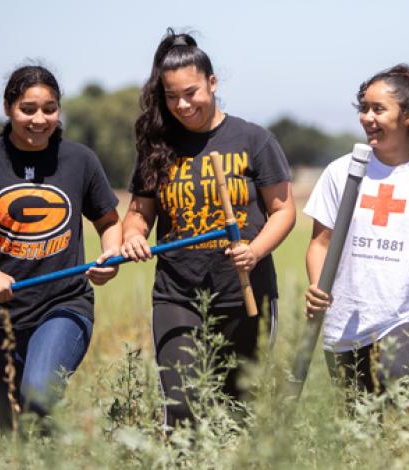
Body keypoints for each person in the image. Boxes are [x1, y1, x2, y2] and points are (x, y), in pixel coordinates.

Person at [121, 29, 295, 428]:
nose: (181, 104)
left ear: (212, 83)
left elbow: (284, 210)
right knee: (182, 408)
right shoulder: (157, 146)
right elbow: (138, 214)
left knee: (237, 409)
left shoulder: (254, 139)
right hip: (177, 294)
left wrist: (254, 250)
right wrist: (133, 235)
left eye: (191, 92)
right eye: (170, 96)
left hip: (244, 293)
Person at [0, 65, 122, 433]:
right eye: (28, 109)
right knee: (15, 431)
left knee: (38, 396)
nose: (40, 119)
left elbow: (110, 222)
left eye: (50, 109)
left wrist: (110, 257)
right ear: (7, 108)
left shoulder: (80, 160)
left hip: (64, 306)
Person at [303, 64, 409, 397]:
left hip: (405, 320)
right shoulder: (341, 172)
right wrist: (318, 288)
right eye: (363, 108)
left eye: (378, 109)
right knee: (355, 433)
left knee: (401, 411)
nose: (367, 118)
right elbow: (320, 244)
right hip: (343, 327)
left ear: (407, 116)